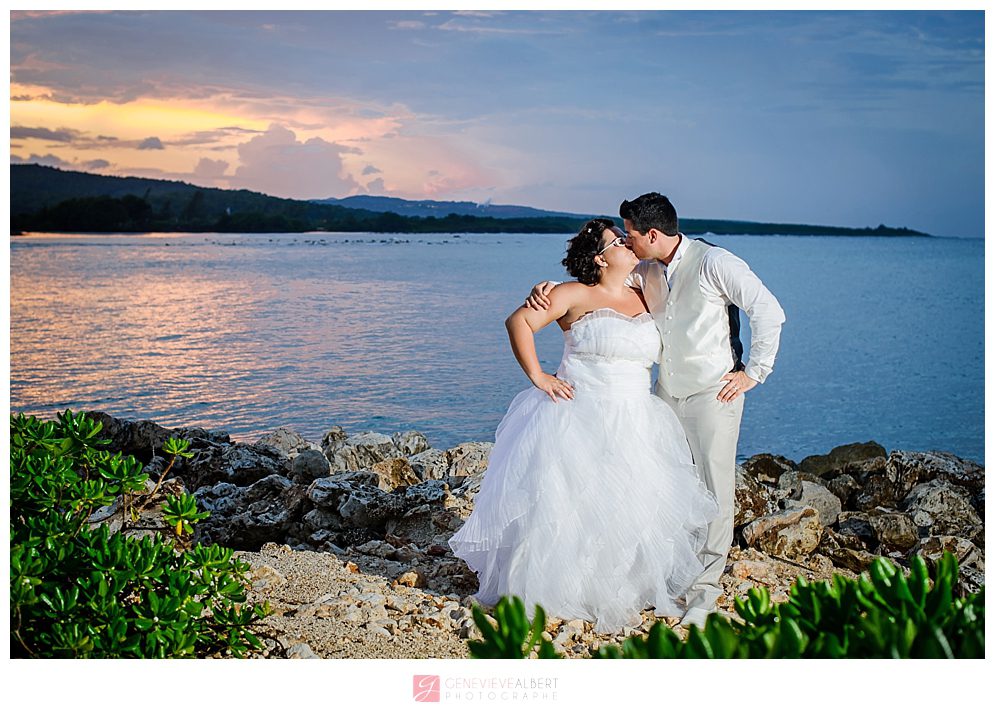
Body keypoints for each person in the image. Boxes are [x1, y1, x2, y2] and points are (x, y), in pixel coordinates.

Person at [448, 218, 719, 635]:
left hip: (635, 415)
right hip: (578, 413)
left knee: (628, 504)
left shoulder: (646, 290)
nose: (630, 245)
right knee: (564, 505)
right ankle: (554, 589)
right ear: (600, 257)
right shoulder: (573, 293)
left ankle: (617, 587)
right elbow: (518, 322)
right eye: (619, 242)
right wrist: (539, 376)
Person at [527, 193, 785, 628]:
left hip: (714, 393)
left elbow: (769, 311)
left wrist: (754, 373)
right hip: (664, 396)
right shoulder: (645, 271)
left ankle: (703, 595)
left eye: (629, 234)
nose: (626, 242)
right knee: (665, 489)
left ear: (650, 234)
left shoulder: (715, 263)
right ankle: (665, 577)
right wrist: (545, 289)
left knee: (715, 492)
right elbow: (596, 289)